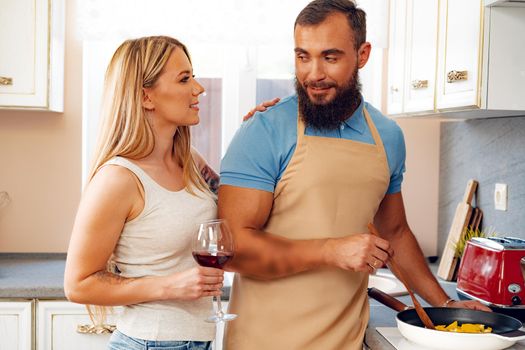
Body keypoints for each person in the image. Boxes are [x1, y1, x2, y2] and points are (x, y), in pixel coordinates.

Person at [218, 1, 490, 349]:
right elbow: (232, 247)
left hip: (346, 340)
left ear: (362, 54)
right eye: (303, 56)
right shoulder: (264, 130)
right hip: (264, 340)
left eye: (330, 57)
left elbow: (395, 231)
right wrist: (331, 251)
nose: (313, 73)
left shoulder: (387, 136)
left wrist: (445, 304)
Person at [64, 35, 230, 350]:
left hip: (196, 342)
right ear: (146, 97)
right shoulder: (119, 179)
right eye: (184, 79)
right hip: (149, 342)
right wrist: (171, 286)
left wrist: (258, 128)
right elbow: (78, 285)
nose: (199, 88)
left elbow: (240, 211)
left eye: (192, 76)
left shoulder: (191, 162)